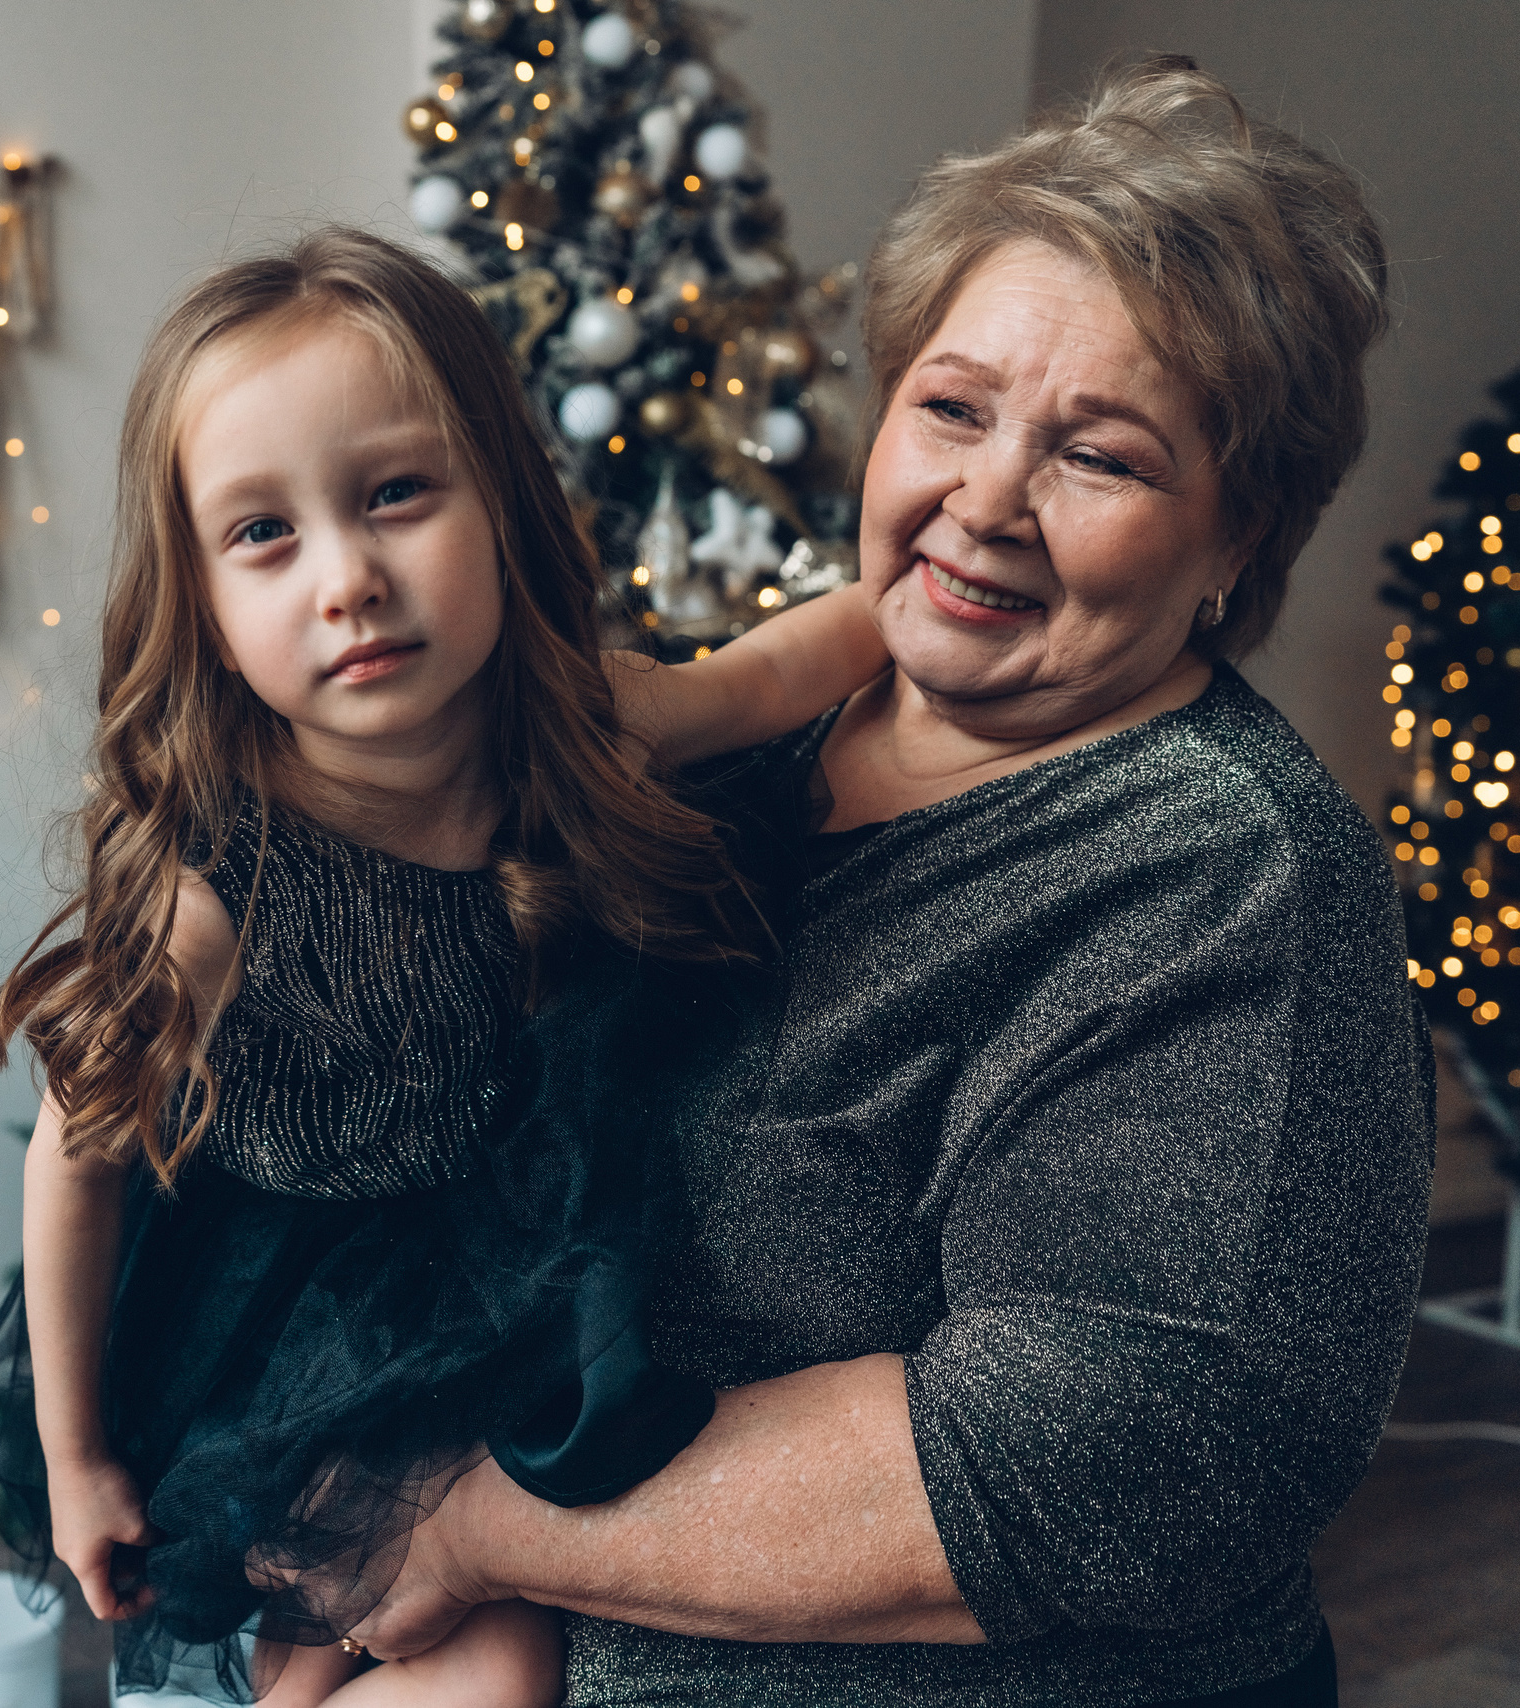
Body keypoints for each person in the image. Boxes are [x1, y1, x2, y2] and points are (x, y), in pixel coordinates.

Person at [330, 57, 1429, 1708]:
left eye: (1103, 458)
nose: (986, 500)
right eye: (954, 407)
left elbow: (1087, 1461)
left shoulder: (1226, 882)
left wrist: (469, 1524)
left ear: (1237, 541)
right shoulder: (759, 743)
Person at [0, 229, 887, 1708]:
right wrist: (78, 1462)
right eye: (266, 534)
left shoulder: (575, 733)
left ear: (502, 504)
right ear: (200, 600)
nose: (350, 578)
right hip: (268, 1338)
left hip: (484, 1295)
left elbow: (766, 676)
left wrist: (922, 587)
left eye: (395, 495)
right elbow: (77, 1159)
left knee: (494, 1652)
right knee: (421, 1664)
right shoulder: (216, 889)